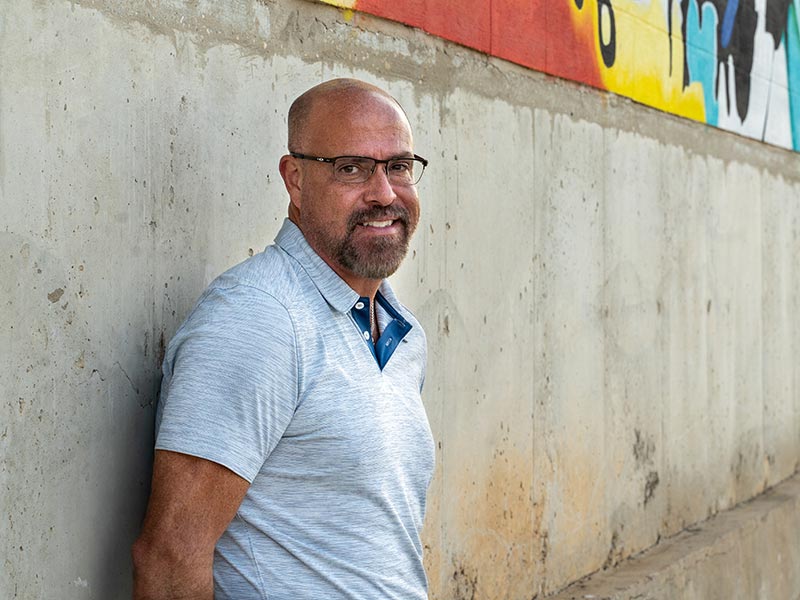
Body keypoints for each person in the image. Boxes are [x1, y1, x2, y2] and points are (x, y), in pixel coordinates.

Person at [131, 78, 434, 600]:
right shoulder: (259, 319)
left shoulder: (401, 330)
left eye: (399, 167)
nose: (384, 193)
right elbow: (171, 555)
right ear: (295, 180)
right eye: (352, 168)